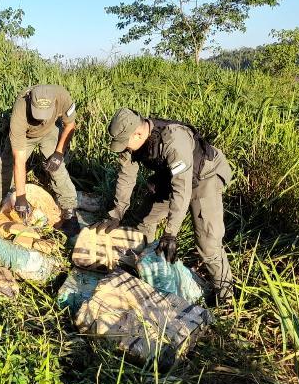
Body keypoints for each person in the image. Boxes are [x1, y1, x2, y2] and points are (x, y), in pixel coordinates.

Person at [94, 108, 234, 304]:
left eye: (126, 144)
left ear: (139, 133)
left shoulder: (174, 141)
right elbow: (126, 177)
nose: (125, 148)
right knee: (143, 223)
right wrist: (116, 214)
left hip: (204, 178)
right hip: (171, 178)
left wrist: (170, 233)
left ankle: (226, 296)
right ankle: (149, 272)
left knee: (208, 244)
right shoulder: (132, 143)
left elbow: (182, 190)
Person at [0, 84, 80, 237]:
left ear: (54, 102)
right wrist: (21, 197)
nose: (40, 119)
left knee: (57, 168)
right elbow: (19, 161)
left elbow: (70, 126)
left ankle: (69, 214)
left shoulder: (62, 97)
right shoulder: (19, 111)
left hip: (50, 132)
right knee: (6, 168)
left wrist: (59, 153)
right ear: (29, 101)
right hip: (25, 135)